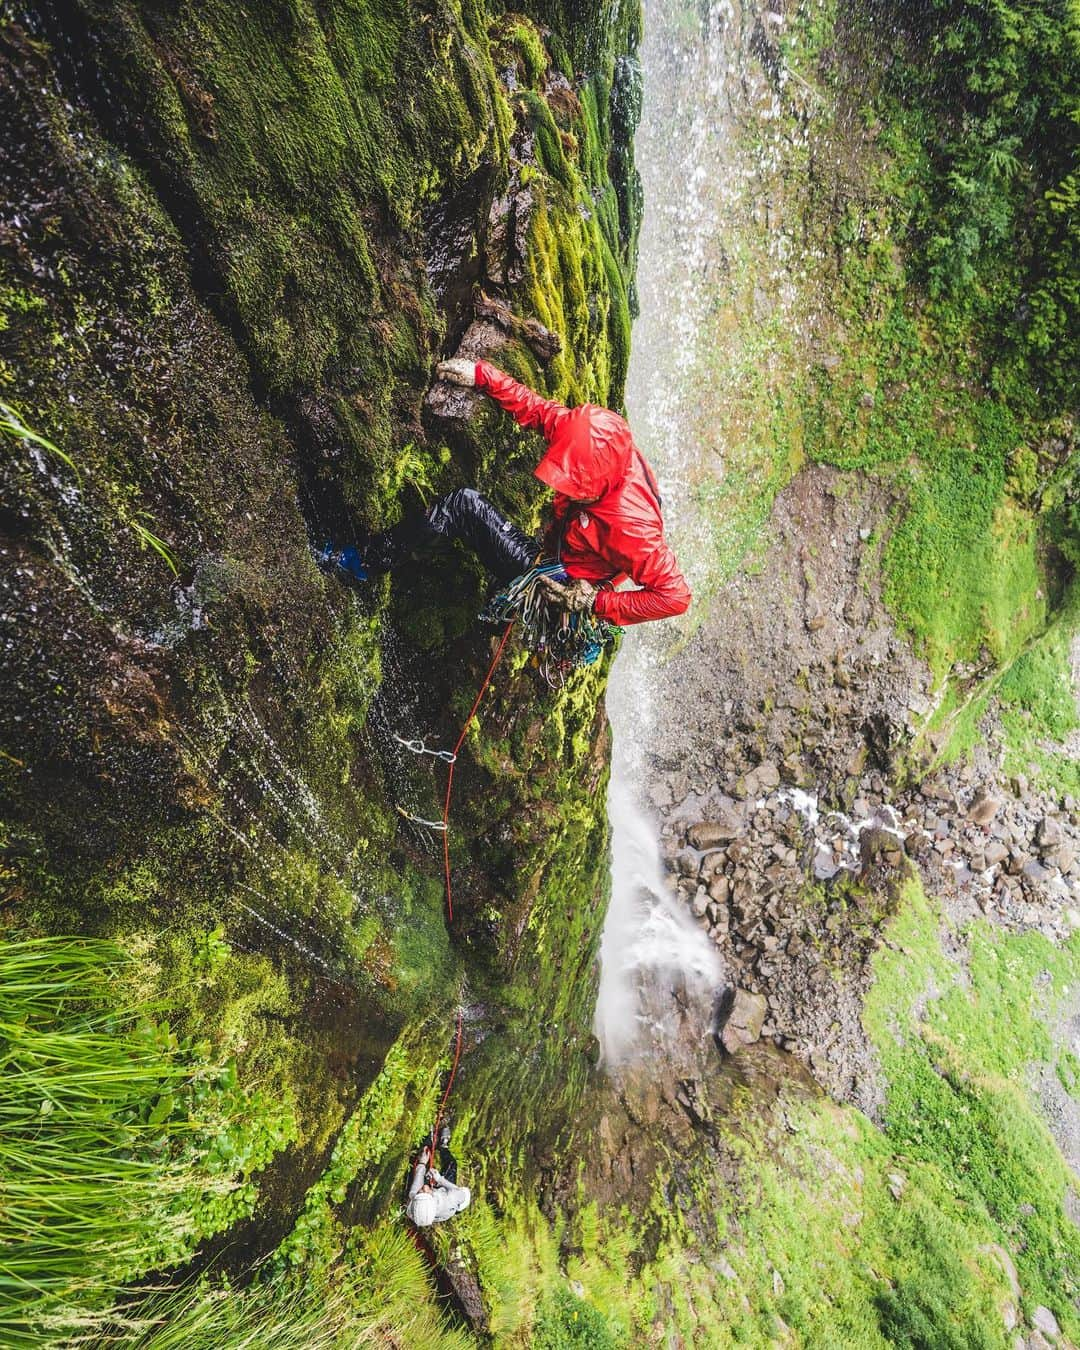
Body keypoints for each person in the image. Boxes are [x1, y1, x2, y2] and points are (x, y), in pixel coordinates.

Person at [320, 359, 691, 626]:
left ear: (594, 483)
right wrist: (483, 375)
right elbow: (537, 410)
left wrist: (597, 602)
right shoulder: (594, 441)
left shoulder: (630, 527)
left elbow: (675, 597)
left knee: (462, 506)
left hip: (558, 586)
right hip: (563, 553)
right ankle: (496, 611)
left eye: (573, 484)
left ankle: (360, 564)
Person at [405, 1127, 471, 1227]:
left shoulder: (411, 1207)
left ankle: (429, 1145)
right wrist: (440, 1179)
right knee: (452, 1165)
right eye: (427, 1192)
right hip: (447, 1198)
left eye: (420, 1192)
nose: (424, 1188)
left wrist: (422, 1163)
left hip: (438, 1203)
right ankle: (444, 1147)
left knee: (414, 1178)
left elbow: (415, 1188)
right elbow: (463, 1192)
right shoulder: (451, 1199)